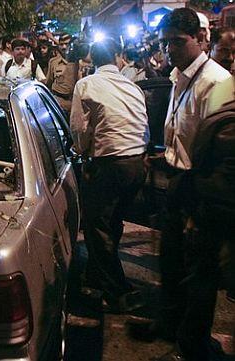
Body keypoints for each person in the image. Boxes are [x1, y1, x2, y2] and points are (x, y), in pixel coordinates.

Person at [129, 8, 231, 361]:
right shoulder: (178, 76)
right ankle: (169, 325)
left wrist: (202, 205)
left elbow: (222, 152)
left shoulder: (216, 83)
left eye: (177, 41)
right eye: (165, 42)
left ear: (201, 40)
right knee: (171, 263)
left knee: (199, 275)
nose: (169, 48)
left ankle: (191, 346)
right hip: (176, 179)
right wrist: (164, 156)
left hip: (201, 190)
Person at [70, 38, 150, 314]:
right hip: (137, 164)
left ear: (91, 58)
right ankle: (97, 274)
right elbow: (143, 125)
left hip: (110, 164)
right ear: (117, 57)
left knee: (97, 226)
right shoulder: (132, 85)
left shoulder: (87, 84)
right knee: (112, 222)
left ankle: (118, 291)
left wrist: (81, 152)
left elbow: (79, 130)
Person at [45, 36, 78, 114]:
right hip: (61, 106)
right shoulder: (53, 62)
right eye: (61, 44)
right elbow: (48, 83)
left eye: (66, 44)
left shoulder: (79, 61)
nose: (64, 47)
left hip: (77, 104)